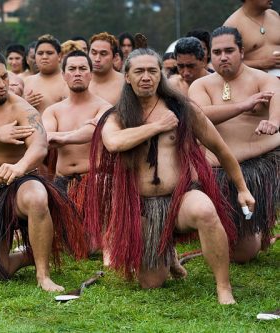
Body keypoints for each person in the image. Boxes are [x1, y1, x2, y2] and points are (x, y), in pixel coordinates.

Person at [86, 48, 255, 304]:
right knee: (151, 283)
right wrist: (157, 126)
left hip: (180, 199)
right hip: (142, 208)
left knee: (205, 211)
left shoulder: (183, 109)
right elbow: (113, 143)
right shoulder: (117, 116)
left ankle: (223, 287)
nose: (146, 77)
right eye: (139, 71)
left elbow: (220, 149)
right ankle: (169, 254)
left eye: (152, 71)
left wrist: (243, 188)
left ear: (161, 75)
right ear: (127, 78)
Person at [0, 48, 87, 291]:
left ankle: (44, 275)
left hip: (18, 184)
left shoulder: (21, 107)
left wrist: (20, 167)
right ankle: (25, 256)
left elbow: (40, 145)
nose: (2, 85)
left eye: (4, 77)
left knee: (37, 197)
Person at [188, 26, 279, 262]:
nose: (223, 57)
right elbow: (200, 114)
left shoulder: (264, 79)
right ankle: (249, 228)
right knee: (236, 249)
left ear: (242, 51)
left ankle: (258, 226)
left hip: (256, 168)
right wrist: (243, 105)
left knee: (243, 255)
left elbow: (277, 97)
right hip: (216, 171)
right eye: (217, 52)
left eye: (229, 50)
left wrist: (274, 122)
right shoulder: (201, 85)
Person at [42, 50, 111, 251]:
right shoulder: (53, 110)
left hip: (94, 180)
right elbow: (46, 138)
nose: (77, 73)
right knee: (68, 244)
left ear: (91, 74)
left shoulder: (105, 107)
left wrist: (61, 136)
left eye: (83, 68)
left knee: (89, 247)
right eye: (72, 69)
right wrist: (83, 130)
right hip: (62, 182)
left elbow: (92, 132)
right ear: (64, 75)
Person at [224, 0, 280, 74]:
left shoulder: (275, 16)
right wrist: (261, 64)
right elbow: (226, 62)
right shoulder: (232, 25)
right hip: (253, 81)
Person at [24, 34, 68, 112]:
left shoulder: (68, 80)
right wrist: (24, 104)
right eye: (40, 53)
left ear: (59, 56)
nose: (44, 57)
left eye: (49, 53)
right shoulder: (27, 81)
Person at [88, 32, 125, 106]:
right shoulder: (79, 81)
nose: (97, 59)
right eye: (94, 53)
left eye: (103, 54)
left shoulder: (125, 84)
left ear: (115, 57)